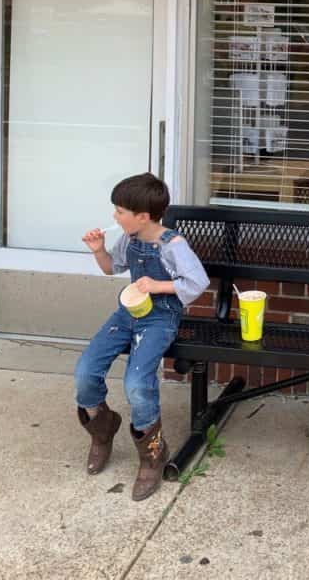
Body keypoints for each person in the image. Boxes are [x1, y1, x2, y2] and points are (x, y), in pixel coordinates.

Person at [74, 172, 210, 500]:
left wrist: (157, 285)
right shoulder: (130, 238)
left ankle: (152, 452)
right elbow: (112, 268)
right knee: (85, 372)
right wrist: (98, 250)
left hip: (160, 318)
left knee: (136, 383)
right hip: (128, 313)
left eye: (120, 211)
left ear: (143, 216)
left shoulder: (173, 245)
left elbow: (197, 282)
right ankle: (102, 428)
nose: (115, 216)